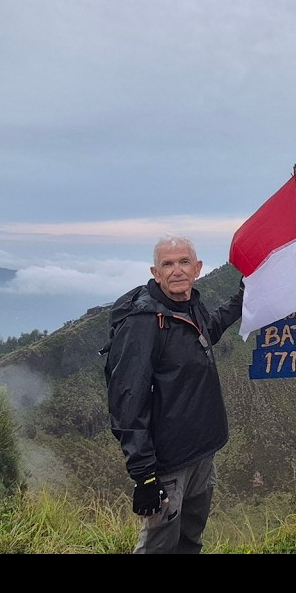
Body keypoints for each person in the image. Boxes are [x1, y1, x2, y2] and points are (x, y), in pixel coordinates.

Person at [102, 234, 243, 554]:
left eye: (184, 262)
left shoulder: (190, 305)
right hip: (167, 464)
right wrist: (144, 475)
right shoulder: (144, 322)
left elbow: (209, 329)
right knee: (159, 546)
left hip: (202, 452)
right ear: (155, 272)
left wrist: (241, 299)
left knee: (190, 540)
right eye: (167, 264)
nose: (177, 270)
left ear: (197, 268)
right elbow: (127, 401)